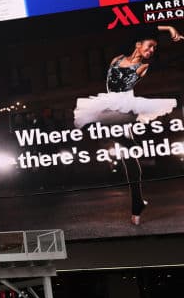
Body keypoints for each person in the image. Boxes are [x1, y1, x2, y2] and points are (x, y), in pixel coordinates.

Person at [73, 26, 182, 224]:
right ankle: (138, 203)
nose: (151, 51)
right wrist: (168, 28)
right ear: (138, 45)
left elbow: (123, 84)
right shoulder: (116, 59)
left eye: (154, 49)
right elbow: (111, 84)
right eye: (149, 47)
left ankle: (137, 205)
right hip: (108, 107)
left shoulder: (143, 67)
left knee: (128, 151)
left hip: (124, 109)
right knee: (127, 154)